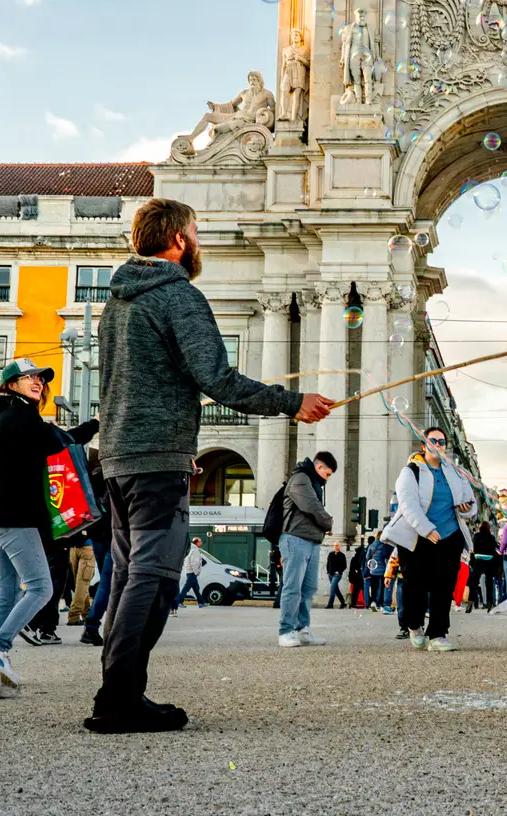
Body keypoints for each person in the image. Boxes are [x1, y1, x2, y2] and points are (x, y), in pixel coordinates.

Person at [88, 197, 329, 734]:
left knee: (129, 576)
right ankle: (118, 699)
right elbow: (218, 380)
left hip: (120, 457)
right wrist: (293, 402)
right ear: (178, 240)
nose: (198, 241)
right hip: (154, 462)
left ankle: (120, 692)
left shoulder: (118, 301)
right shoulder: (178, 296)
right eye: (195, 232)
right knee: (153, 578)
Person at [0, 358, 98, 683]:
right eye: (28, 377)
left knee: (6, 592)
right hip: (15, 518)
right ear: (11, 384)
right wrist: (97, 423)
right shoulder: (21, 417)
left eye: (40, 379)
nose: (37, 382)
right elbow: (63, 440)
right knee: (41, 588)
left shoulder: (3, 414)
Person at [384, 426, 476, 651]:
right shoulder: (411, 471)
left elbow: (470, 505)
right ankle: (414, 626)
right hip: (417, 536)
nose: (438, 445)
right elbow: (408, 505)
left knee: (443, 586)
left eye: (442, 441)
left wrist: (465, 509)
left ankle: (438, 634)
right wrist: (426, 529)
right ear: (424, 446)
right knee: (414, 584)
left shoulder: (455, 472)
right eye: (433, 441)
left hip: (449, 535)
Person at [277, 452, 336, 647]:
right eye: (327, 474)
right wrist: (328, 522)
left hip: (311, 540)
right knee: (293, 587)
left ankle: (302, 629)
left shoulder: (312, 482)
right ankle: (286, 630)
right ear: (319, 468)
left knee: (308, 588)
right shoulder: (301, 478)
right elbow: (311, 506)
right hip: (295, 538)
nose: (327, 479)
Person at [79, 450, 112, 647]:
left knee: (108, 581)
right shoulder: (111, 475)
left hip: (97, 534)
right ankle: (91, 626)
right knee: (109, 582)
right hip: (113, 534)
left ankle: (96, 625)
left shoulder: (91, 478)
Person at [65, 531, 98, 626]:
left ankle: (86, 613)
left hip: (73, 548)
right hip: (87, 548)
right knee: (82, 584)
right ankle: (73, 616)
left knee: (80, 585)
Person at [468, 520, 500, 613]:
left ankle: (470, 602)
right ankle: (489, 603)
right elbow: (495, 548)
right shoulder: (491, 537)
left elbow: (473, 548)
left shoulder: (476, 536)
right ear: (489, 528)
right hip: (489, 561)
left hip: (478, 560)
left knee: (474, 583)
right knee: (489, 583)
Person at [174, 538, 207, 611]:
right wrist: (196, 572)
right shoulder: (195, 551)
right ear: (196, 542)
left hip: (190, 571)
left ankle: (201, 602)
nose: (201, 542)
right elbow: (195, 562)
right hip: (192, 572)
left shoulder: (191, 549)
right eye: (200, 541)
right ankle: (179, 601)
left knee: (196, 588)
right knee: (186, 588)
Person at [325, 542, 349, 610]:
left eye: (337, 545)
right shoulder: (330, 554)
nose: (335, 546)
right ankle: (343, 603)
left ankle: (330, 604)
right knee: (336, 589)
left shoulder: (342, 555)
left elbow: (344, 565)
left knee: (332, 589)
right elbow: (328, 563)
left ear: (339, 546)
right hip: (330, 574)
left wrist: (339, 571)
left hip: (337, 575)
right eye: (334, 545)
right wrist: (328, 571)